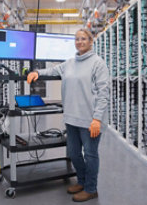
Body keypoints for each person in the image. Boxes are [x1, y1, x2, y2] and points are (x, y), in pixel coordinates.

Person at [27, 29, 110, 202]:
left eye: (83, 39)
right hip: (72, 118)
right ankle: (81, 181)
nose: (79, 42)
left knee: (90, 154)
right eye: (77, 39)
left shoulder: (98, 63)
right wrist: (37, 73)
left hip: (90, 120)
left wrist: (97, 119)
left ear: (91, 41)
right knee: (73, 153)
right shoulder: (70, 63)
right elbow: (53, 71)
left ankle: (91, 188)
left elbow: (103, 93)